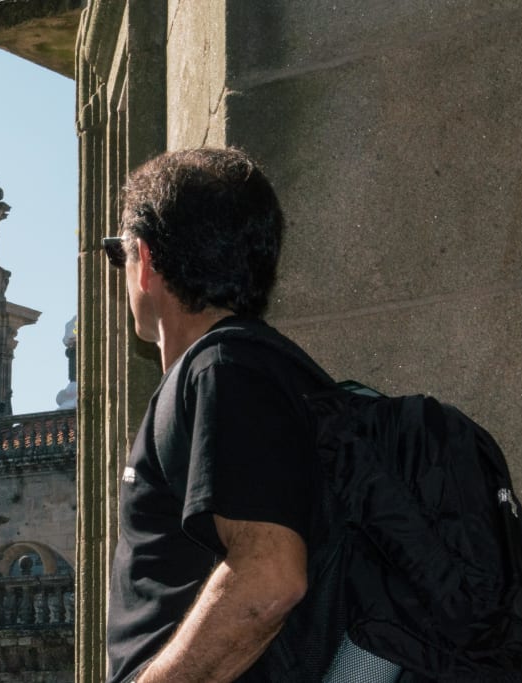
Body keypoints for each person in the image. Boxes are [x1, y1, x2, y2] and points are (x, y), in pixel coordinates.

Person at [103, 147, 329, 682]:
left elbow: (270, 579)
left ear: (147, 261)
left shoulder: (222, 368)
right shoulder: (249, 368)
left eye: (120, 256)